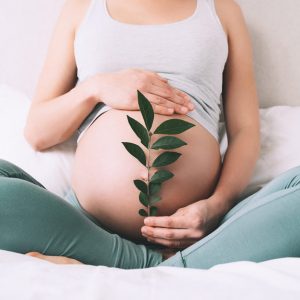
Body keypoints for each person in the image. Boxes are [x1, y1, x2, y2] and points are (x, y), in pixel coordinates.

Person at [1, 0, 298, 267]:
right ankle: (165, 265)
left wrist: (216, 205)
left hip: (204, 230)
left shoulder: (222, 10)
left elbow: (245, 130)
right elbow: (38, 131)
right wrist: (96, 88)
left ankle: (106, 259)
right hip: (86, 223)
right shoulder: (82, 8)